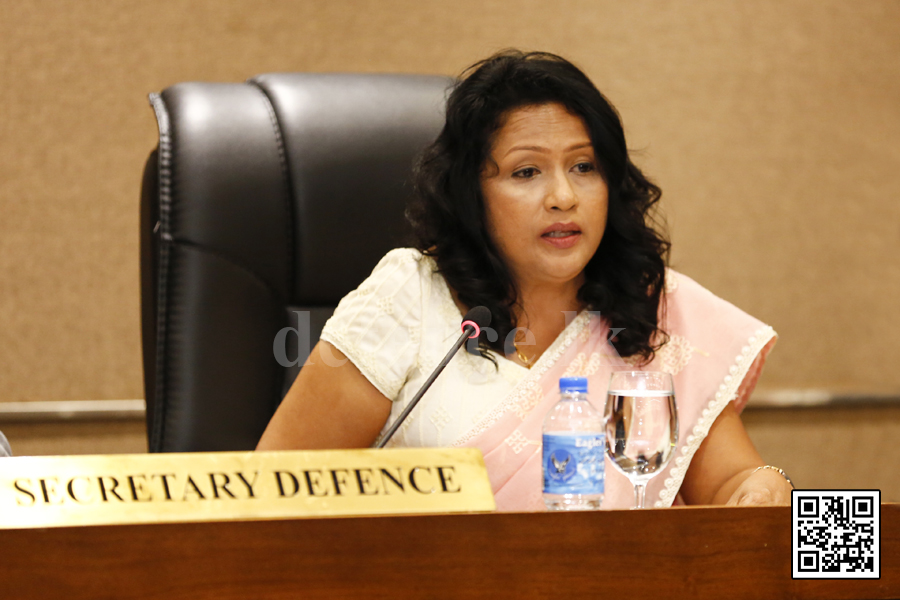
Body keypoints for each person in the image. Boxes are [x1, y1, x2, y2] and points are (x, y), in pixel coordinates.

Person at [257, 50, 793, 510]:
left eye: (584, 166)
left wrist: (766, 486)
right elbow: (272, 496)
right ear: (472, 194)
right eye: (526, 172)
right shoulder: (410, 296)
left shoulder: (653, 308)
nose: (563, 196)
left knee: (855, 558)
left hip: (616, 584)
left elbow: (732, 484)